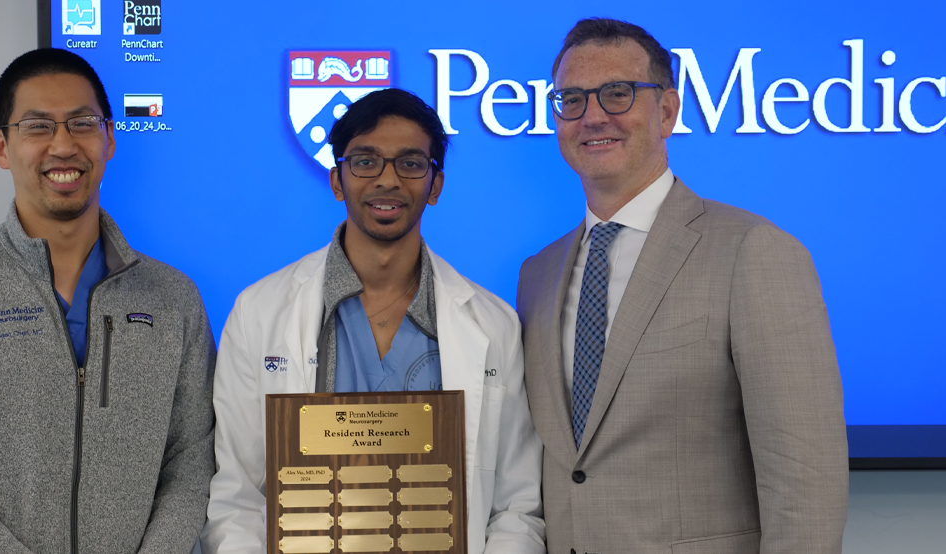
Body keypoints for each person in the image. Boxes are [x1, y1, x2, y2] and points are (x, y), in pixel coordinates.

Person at [518, 18, 849, 554]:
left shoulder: (753, 252)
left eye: (618, 94)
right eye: (571, 99)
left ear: (667, 111)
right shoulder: (538, 274)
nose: (592, 115)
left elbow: (806, 486)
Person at [0, 48, 215, 554]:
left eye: (82, 123)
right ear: (0, 146)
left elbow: (192, 460)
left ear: (109, 139)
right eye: (37, 127)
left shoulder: (173, 298)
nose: (63, 145)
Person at [201, 88, 545, 554]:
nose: (388, 180)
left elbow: (516, 505)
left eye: (410, 163)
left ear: (435, 185)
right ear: (337, 181)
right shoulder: (259, 312)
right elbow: (237, 496)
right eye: (365, 161)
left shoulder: (494, 325)